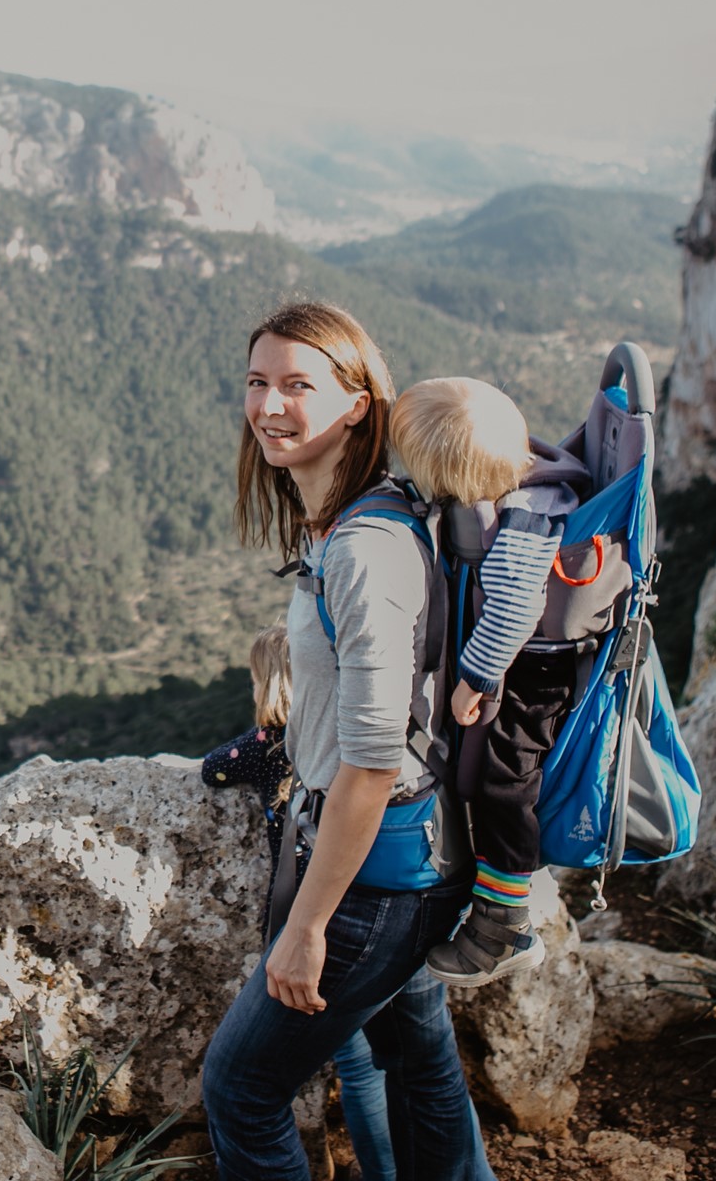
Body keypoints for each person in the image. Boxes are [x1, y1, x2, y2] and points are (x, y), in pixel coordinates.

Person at [199, 301, 495, 1181]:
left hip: (374, 881)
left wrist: (308, 926)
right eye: (258, 383)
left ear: (359, 401)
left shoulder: (364, 548)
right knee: (417, 1066)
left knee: (241, 1089)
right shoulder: (363, 515)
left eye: (299, 385)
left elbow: (371, 761)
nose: (270, 406)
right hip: (412, 863)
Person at [389, 377, 577, 988]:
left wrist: (475, 677)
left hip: (532, 671)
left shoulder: (526, 519)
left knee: (503, 782)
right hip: (520, 661)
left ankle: (504, 925)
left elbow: (515, 609)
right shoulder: (525, 480)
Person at [201, 625, 397, 1181]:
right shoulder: (344, 737)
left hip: (307, 923)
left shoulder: (266, 748)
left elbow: (211, 769)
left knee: (349, 1064)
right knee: (388, 1063)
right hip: (374, 907)